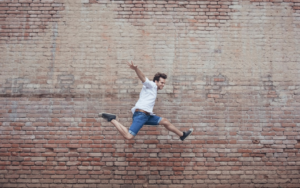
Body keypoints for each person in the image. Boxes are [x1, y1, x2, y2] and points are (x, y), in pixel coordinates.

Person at [99, 61, 193, 141]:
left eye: (164, 83)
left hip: (147, 115)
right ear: (156, 81)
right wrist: (136, 69)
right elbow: (143, 78)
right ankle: (112, 119)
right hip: (141, 115)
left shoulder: (153, 89)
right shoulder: (151, 85)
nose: (163, 85)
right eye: (162, 83)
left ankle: (182, 135)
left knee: (165, 121)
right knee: (129, 136)